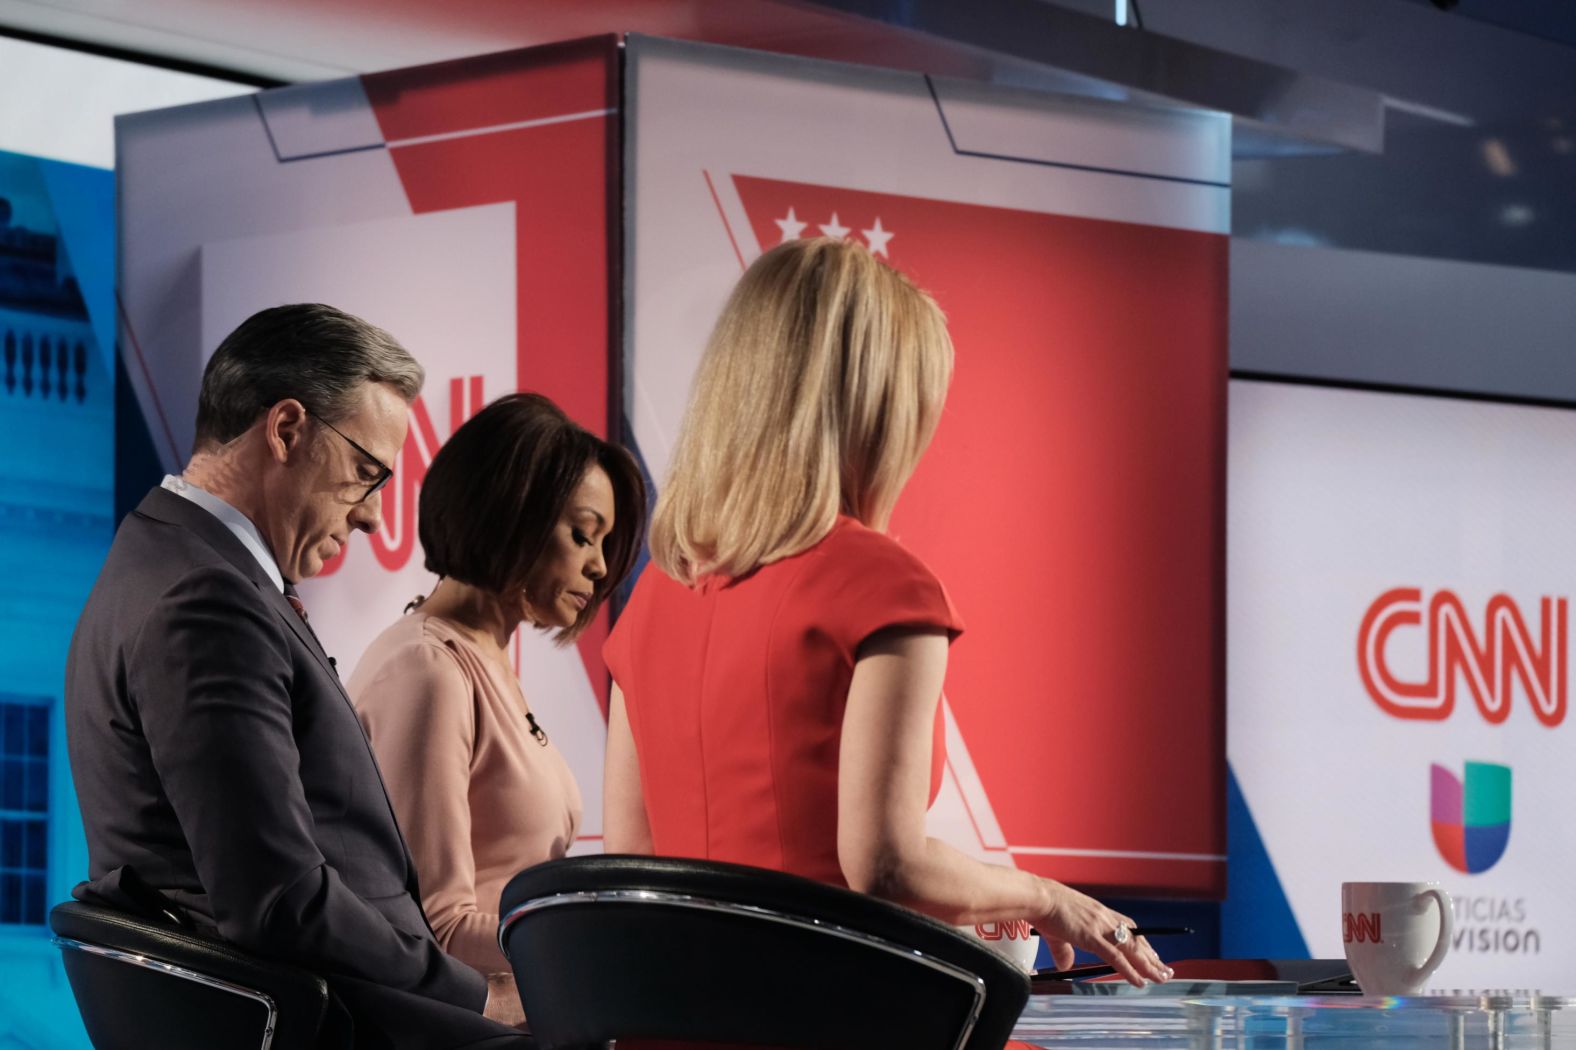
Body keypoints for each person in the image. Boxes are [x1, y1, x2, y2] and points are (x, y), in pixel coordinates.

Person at [602, 238, 1173, 988]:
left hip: (676, 1019)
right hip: (836, 1012)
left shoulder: (650, 601)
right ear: (876, 414)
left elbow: (635, 864)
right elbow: (885, 863)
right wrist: (1047, 898)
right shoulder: (883, 584)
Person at [65, 303, 529, 1049]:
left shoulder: (163, 560)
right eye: (365, 473)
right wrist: (475, 996)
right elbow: (277, 900)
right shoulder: (205, 599)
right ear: (286, 430)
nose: (376, 517)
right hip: (337, 1021)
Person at [348, 393, 645, 987]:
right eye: (583, 536)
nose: (599, 567)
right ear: (512, 513)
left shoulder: (482, 660)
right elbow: (438, 928)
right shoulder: (428, 670)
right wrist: (601, 941)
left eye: (606, 545)